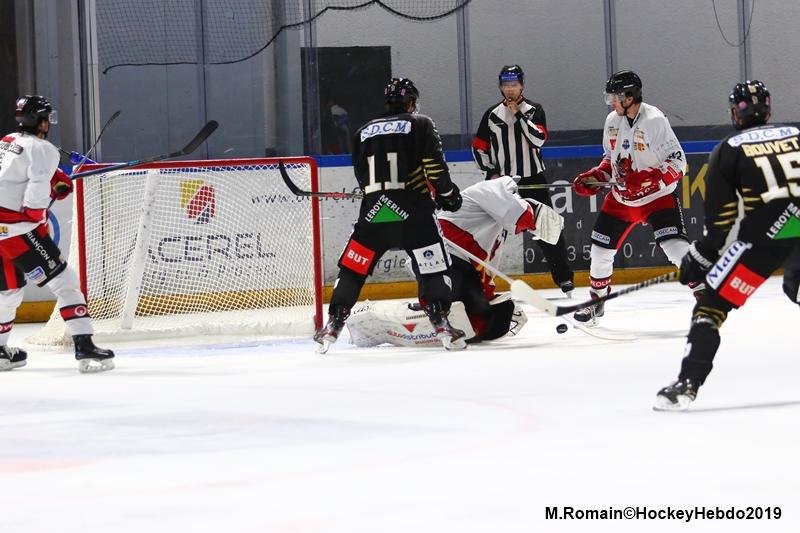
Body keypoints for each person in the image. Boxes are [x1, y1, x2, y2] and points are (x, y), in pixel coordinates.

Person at [655, 80, 800, 410]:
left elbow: (721, 220)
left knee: (710, 308)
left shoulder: (729, 148)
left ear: (736, 113)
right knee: (796, 287)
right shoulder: (796, 134)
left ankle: (687, 384)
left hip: (764, 241)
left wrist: (700, 256)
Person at [313, 78, 465, 353]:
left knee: (353, 269)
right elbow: (435, 168)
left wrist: (378, 197)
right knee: (433, 267)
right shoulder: (421, 124)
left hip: (374, 215)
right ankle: (441, 323)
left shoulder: (362, 131)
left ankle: (333, 324)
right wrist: (449, 195)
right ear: (411, 102)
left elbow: (362, 176)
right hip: (415, 215)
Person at [344, 176, 564, 346]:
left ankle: (432, 315)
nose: (525, 230)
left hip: (461, 266)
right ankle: (380, 316)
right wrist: (532, 217)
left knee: (490, 319)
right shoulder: (492, 188)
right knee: (453, 308)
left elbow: (483, 271)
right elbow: (519, 212)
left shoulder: (496, 232)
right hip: (439, 257)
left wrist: (488, 296)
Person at [571, 70, 698, 324]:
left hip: (657, 198)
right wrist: (596, 176)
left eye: (615, 98)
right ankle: (597, 301)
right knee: (600, 252)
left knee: (676, 249)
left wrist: (649, 177)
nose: (611, 103)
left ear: (630, 97)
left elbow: (679, 163)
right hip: (621, 200)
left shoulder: (654, 120)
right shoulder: (612, 121)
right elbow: (610, 160)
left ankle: (706, 294)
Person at [0, 95, 115, 373]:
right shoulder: (43, 149)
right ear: (39, 120)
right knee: (66, 282)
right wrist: (40, 211)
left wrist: (56, 179)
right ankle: (85, 346)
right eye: (46, 118)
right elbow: (35, 199)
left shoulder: (7, 140)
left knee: (9, 291)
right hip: (16, 232)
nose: (48, 123)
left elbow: (15, 174)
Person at [472, 65, 575, 295]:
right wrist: (491, 172)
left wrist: (518, 114)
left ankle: (564, 279)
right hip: (501, 184)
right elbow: (478, 148)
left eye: (514, 85)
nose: (510, 89)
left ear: (522, 86)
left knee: (548, 228)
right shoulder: (491, 114)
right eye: (506, 85)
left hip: (532, 180)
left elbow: (538, 139)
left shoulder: (534, 110)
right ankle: (478, 282)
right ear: (501, 87)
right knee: (489, 234)